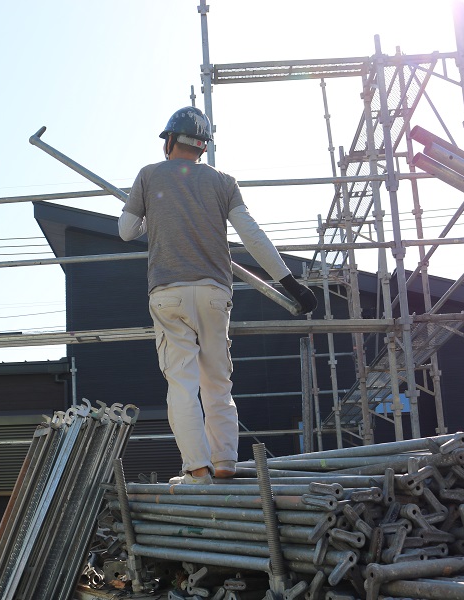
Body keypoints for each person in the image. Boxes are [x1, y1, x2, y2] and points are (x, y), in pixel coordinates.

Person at [119, 106, 317, 484]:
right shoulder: (224, 182)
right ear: (203, 147)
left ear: (170, 141)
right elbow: (251, 235)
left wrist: (148, 216)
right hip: (214, 293)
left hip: (168, 294)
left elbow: (127, 230)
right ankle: (225, 461)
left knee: (182, 383)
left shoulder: (149, 176)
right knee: (218, 382)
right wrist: (290, 283)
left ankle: (197, 468)